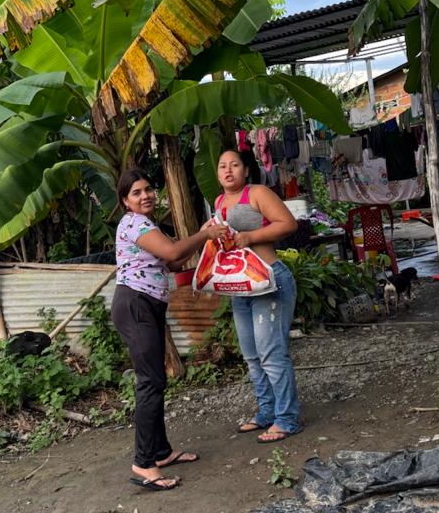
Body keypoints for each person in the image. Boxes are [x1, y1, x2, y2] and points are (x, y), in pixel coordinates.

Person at [113, 169, 228, 491]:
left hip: (146, 305)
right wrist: (205, 235)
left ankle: (161, 453)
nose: (146, 196)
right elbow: (174, 252)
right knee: (150, 382)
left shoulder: (147, 226)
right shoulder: (134, 223)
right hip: (136, 305)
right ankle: (143, 462)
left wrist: (201, 236)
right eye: (136, 192)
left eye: (148, 189)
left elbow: (173, 263)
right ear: (125, 201)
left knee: (156, 380)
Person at [214, 149, 300, 444]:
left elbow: (288, 224)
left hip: (269, 281)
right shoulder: (218, 202)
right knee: (251, 356)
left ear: (246, 169)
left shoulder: (257, 193)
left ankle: (287, 419)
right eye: (222, 166)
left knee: (271, 354)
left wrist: (250, 237)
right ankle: (266, 412)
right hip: (240, 286)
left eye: (234, 165)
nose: (228, 171)